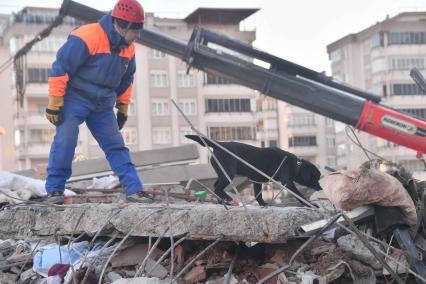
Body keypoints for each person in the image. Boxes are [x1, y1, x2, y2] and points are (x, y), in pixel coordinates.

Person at [44, 0, 150, 204]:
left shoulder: (129, 48)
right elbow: (61, 68)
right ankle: (55, 191)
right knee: (66, 140)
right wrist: (55, 101)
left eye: (139, 29)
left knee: (116, 145)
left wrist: (123, 106)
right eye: (135, 30)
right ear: (121, 25)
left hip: (102, 105)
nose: (137, 35)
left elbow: (127, 79)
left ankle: (134, 190)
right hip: (75, 99)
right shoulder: (87, 36)